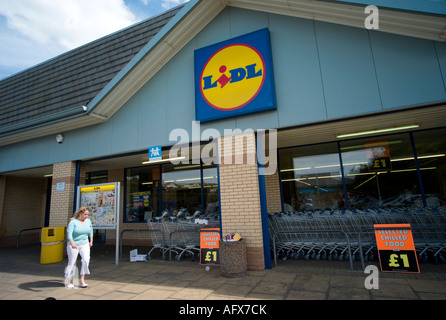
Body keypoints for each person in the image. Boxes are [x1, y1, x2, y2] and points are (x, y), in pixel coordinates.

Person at [65, 207, 93, 288]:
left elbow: (90, 231)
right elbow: (69, 234)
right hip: (74, 244)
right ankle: (69, 281)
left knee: (86, 260)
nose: (86, 216)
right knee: (72, 262)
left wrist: (91, 241)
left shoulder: (88, 221)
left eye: (87, 214)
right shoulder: (73, 222)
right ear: (80, 214)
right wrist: (72, 243)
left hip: (85, 243)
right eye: (85, 214)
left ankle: (82, 280)